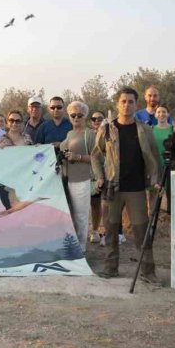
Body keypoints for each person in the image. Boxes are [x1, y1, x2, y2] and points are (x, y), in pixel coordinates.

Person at [93, 87, 161, 283]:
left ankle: (148, 273)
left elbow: (154, 157)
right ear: (117, 104)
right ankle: (110, 268)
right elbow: (96, 156)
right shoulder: (107, 128)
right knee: (111, 229)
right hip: (112, 188)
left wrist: (154, 180)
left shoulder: (145, 129)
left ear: (136, 104)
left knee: (141, 231)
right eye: (123, 101)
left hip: (136, 188)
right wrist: (99, 176)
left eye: (131, 101)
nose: (127, 105)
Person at [60, 101, 99, 249]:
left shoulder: (90, 134)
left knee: (81, 217)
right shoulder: (70, 133)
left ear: (85, 116)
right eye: (73, 115)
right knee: (69, 215)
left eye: (80, 115)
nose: (76, 118)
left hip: (82, 180)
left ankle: (81, 249)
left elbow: (97, 158)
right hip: (66, 179)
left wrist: (78, 157)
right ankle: (71, 246)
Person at [88, 110, 106, 245]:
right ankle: (88, 231)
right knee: (85, 204)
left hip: (103, 172)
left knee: (99, 204)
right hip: (85, 173)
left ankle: (97, 231)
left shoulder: (108, 134)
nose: (96, 121)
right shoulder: (86, 134)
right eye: (94, 119)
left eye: (100, 119)